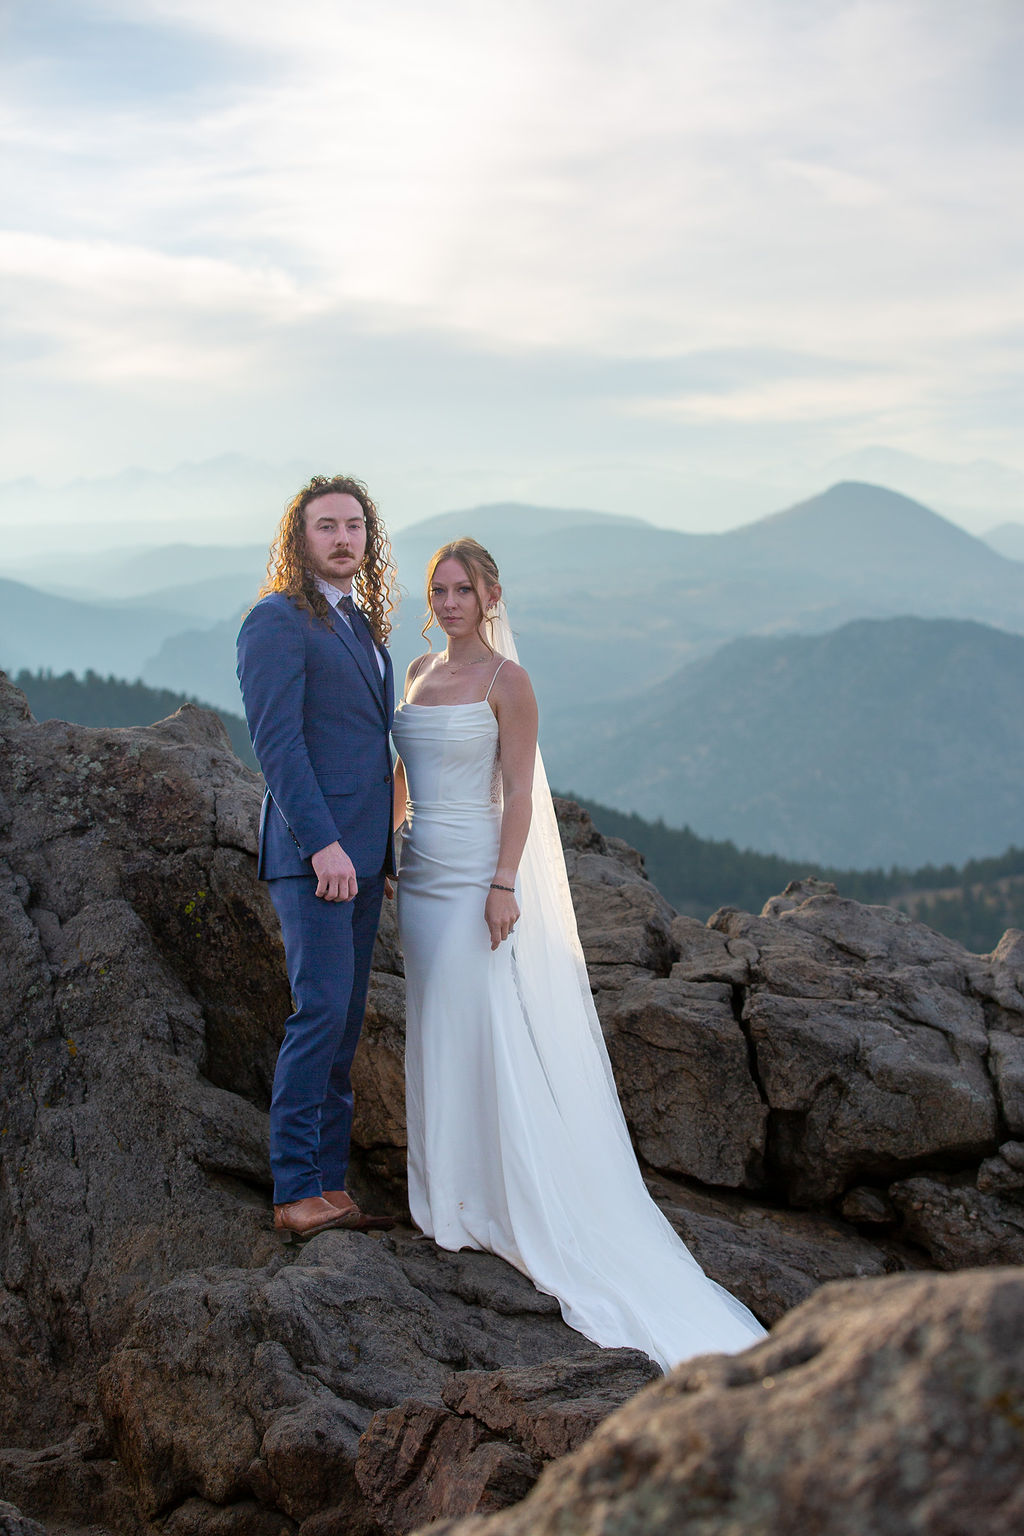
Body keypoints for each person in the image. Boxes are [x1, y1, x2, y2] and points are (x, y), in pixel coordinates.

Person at [391, 538, 767, 1369]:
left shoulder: (506, 682)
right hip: (417, 873)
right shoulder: (416, 672)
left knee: (480, 1021)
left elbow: (521, 790)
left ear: (492, 596)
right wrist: (392, 841)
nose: (450, 601)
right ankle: (444, 1190)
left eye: (464, 589)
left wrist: (501, 885)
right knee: (434, 1022)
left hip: (471, 872)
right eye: (438, 589)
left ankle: (492, 1196)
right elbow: (401, 766)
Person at [237, 474, 398, 1242]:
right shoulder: (276, 621)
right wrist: (324, 843)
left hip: (365, 859)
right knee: (320, 1013)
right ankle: (296, 1189)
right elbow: (278, 744)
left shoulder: (361, 626)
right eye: (326, 526)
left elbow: (368, 748)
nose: (342, 538)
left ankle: (330, 1184)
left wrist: (381, 855)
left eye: (355, 526)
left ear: (369, 539)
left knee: (345, 1025)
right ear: (299, 540)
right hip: (315, 857)